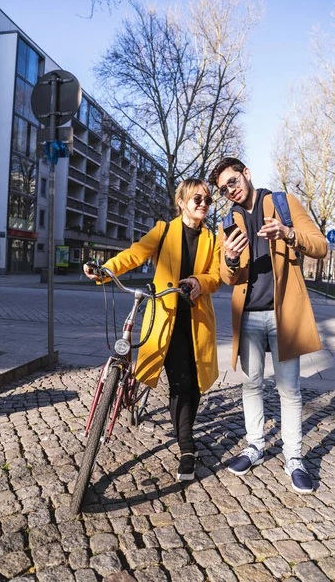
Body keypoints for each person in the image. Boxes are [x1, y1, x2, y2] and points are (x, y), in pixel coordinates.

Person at [84, 178, 221, 481]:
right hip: (165, 319)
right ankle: (187, 446)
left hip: (195, 321)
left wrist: (200, 282)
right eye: (197, 198)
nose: (203, 204)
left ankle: (186, 441)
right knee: (180, 382)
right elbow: (135, 253)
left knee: (193, 382)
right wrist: (105, 271)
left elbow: (217, 275)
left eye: (207, 200)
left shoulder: (213, 239)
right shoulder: (164, 230)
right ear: (182, 202)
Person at [209, 157, 327, 493]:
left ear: (246, 173)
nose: (230, 191)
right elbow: (227, 276)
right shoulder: (227, 221)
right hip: (247, 317)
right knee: (251, 385)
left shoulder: (282, 202)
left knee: (289, 390)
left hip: (284, 315)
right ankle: (255, 446)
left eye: (232, 182)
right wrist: (230, 258)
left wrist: (288, 233)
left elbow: (320, 246)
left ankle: (294, 459)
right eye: (223, 189)